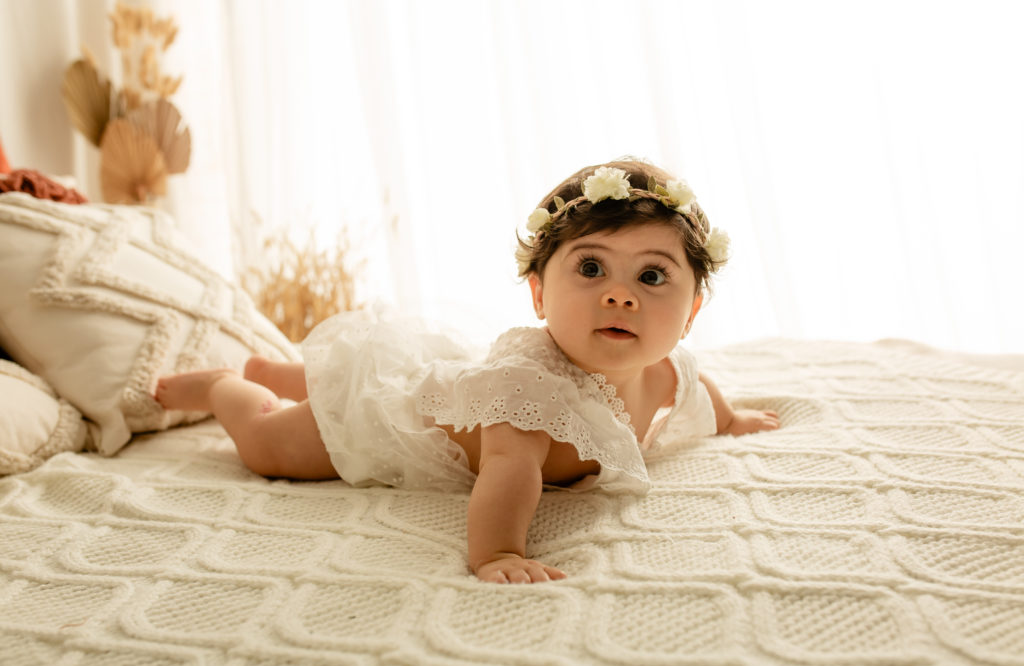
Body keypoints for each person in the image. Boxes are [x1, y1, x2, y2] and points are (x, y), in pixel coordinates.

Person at [155, 159, 780, 584]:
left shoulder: (668, 369)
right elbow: (508, 472)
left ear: (693, 310)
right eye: (591, 269)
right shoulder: (527, 389)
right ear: (538, 295)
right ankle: (224, 388)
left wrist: (732, 420)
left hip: (443, 387)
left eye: (651, 276)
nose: (620, 296)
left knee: (400, 371)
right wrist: (499, 552)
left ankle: (290, 371)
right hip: (393, 427)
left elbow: (699, 392)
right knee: (274, 445)